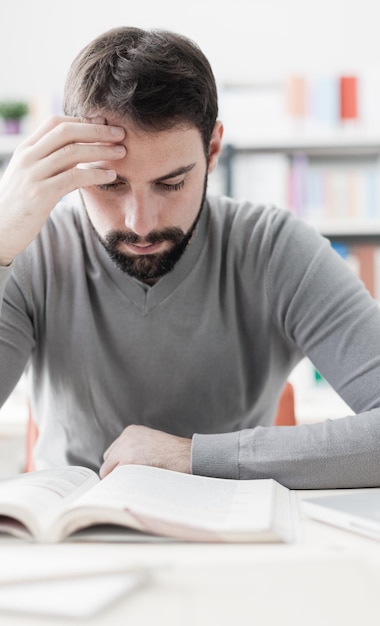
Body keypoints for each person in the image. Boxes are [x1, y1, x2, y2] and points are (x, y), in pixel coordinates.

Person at [1, 26, 380, 490]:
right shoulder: (29, 252)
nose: (140, 223)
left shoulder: (276, 249)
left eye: (171, 184)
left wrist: (192, 457)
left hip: (236, 542)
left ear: (213, 151)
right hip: (72, 546)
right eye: (110, 185)